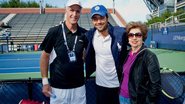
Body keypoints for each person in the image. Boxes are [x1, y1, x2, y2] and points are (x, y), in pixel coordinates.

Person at [39, 0, 87, 104]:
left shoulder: (84, 33)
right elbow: (45, 57)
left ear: (80, 13)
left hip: (79, 88)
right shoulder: (54, 31)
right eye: (71, 10)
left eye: (77, 11)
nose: (74, 14)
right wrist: (45, 82)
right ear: (66, 10)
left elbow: (85, 56)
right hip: (58, 88)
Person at [85, 5, 127, 104]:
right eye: (95, 19)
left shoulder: (120, 33)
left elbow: (136, 37)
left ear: (107, 18)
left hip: (118, 85)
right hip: (100, 85)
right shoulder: (90, 35)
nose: (98, 22)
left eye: (101, 18)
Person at [119, 21, 161, 104]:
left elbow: (155, 85)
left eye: (138, 35)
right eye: (131, 35)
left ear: (143, 37)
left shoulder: (149, 56)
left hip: (136, 100)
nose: (134, 38)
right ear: (128, 38)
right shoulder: (126, 54)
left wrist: (148, 102)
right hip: (121, 96)